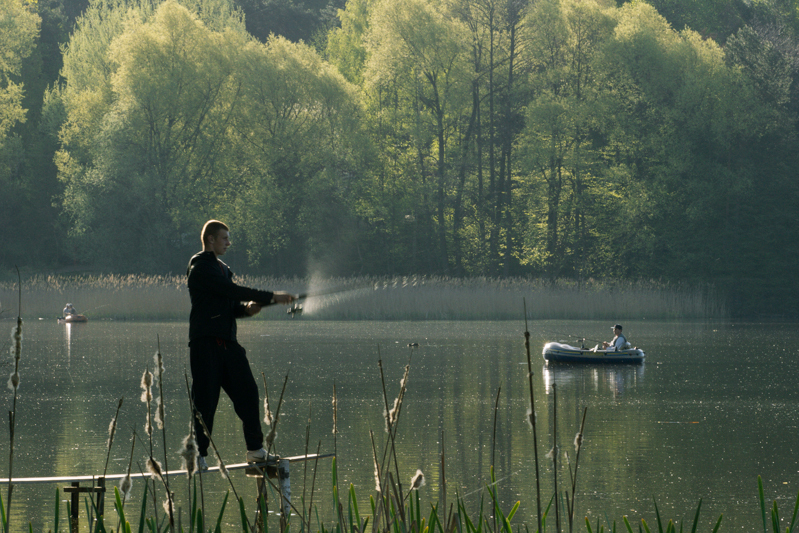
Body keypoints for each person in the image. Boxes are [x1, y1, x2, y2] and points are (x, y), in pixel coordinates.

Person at [187, 220, 294, 471]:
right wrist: (272, 296)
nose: (228, 242)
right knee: (205, 402)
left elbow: (231, 305)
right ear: (211, 239)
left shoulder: (223, 269)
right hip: (205, 345)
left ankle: (255, 450)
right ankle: (198, 456)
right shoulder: (200, 266)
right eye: (224, 238)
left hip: (228, 345)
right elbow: (230, 291)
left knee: (248, 392)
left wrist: (246, 310)